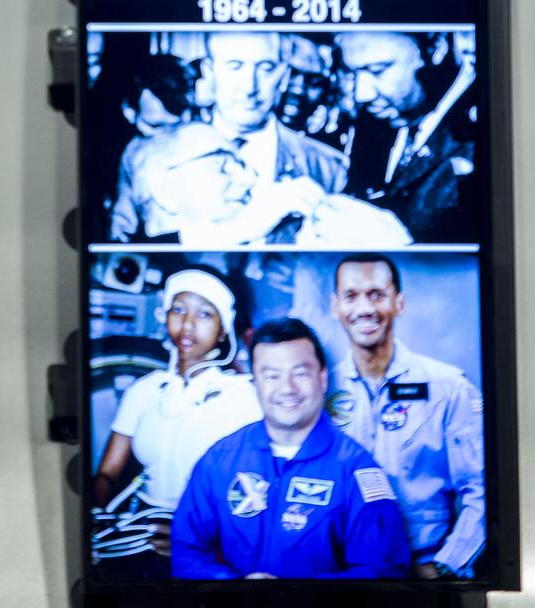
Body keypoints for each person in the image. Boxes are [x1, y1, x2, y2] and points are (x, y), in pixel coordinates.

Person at [110, 33, 413, 246]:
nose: (249, 87)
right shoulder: (154, 151)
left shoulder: (329, 166)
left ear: (283, 76)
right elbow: (123, 248)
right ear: (209, 70)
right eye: (235, 66)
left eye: (265, 69)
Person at [171, 318, 410, 580]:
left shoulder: (356, 470)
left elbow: (383, 573)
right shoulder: (219, 460)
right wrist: (233, 588)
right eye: (272, 375)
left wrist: (295, 596)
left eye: (300, 373)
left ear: (321, 378)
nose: (287, 388)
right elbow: (186, 552)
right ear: (255, 383)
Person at [329, 255, 485, 578]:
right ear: (336, 307)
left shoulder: (448, 388)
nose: (364, 309)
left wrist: (445, 566)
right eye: (351, 296)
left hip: (424, 574)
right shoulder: (321, 391)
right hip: (342, 577)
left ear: (399, 303)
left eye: (376, 294)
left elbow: (482, 490)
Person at [91, 269, 260, 567]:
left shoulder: (243, 396)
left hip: (208, 542)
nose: (188, 324)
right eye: (179, 309)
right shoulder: (144, 391)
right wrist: (98, 517)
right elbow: (107, 473)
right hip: (138, 535)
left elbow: (258, 491)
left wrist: (199, 537)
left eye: (205, 314)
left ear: (223, 330)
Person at [335, 31, 476, 243]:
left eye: (377, 71)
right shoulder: (371, 124)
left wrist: (401, 245)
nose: (361, 94)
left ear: (436, 49)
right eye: (351, 73)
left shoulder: (486, 128)